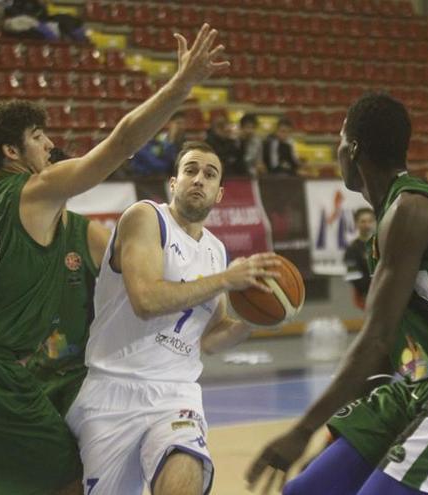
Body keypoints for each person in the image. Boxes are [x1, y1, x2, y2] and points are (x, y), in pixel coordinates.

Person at [0, 22, 227, 495]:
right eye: (39, 136)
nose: (50, 145)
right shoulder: (36, 192)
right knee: (68, 480)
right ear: (13, 151)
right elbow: (119, 144)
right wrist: (179, 86)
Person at [247, 93, 428, 495]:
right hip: (419, 381)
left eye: (341, 139)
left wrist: (301, 430)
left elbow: (376, 336)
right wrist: (339, 434)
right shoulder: (387, 220)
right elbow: (386, 350)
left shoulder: (409, 210)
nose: (337, 149)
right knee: (307, 491)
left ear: (355, 147)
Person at [67, 141, 283, 495]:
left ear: (219, 194)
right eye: (191, 170)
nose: (199, 179)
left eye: (209, 174)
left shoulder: (215, 251)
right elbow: (146, 299)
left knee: (186, 469)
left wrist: (256, 320)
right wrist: (227, 279)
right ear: (173, 182)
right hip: (113, 389)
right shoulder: (145, 217)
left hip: (176, 395)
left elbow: (210, 338)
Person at [25, 210, 109, 416]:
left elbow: (134, 292)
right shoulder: (10, 235)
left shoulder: (89, 235)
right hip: (33, 373)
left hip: (83, 375)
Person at [130, 111, 186, 176]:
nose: (181, 127)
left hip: (162, 181)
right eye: (178, 123)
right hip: (140, 181)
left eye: (183, 124)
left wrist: (172, 141)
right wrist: (171, 142)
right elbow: (158, 166)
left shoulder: (163, 140)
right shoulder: (140, 145)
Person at [343, 207, 375, 310]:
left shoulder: (381, 243)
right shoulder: (352, 249)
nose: (367, 225)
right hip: (366, 296)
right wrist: (374, 288)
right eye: (363, 221)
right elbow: (353, 276)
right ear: (356, 224)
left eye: (370, 221)